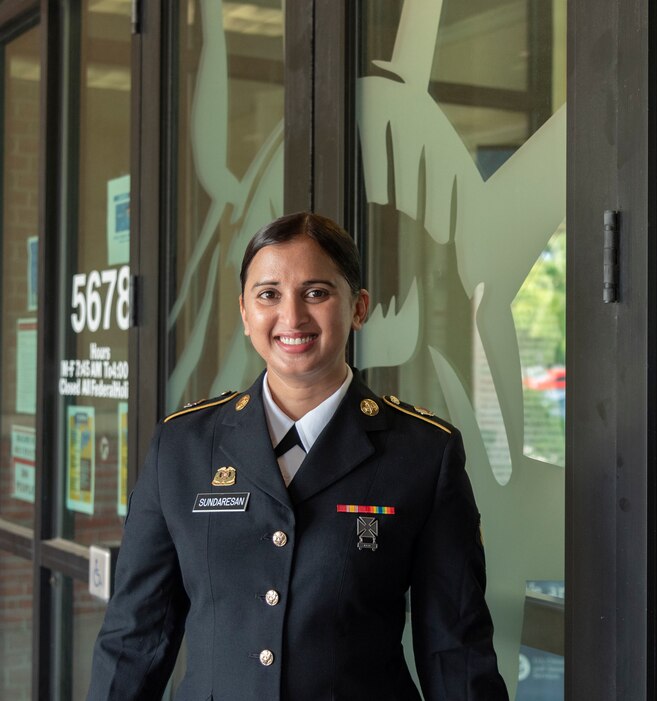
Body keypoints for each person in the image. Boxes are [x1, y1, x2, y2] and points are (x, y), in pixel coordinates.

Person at [88, 212, 508, 700]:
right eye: (268, 294)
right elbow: (135, 639)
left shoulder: (423, 453)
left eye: (316, 292)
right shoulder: (181, 447)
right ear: (245, 313)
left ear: (358, 307)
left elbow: (455, 653)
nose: (292, 317)